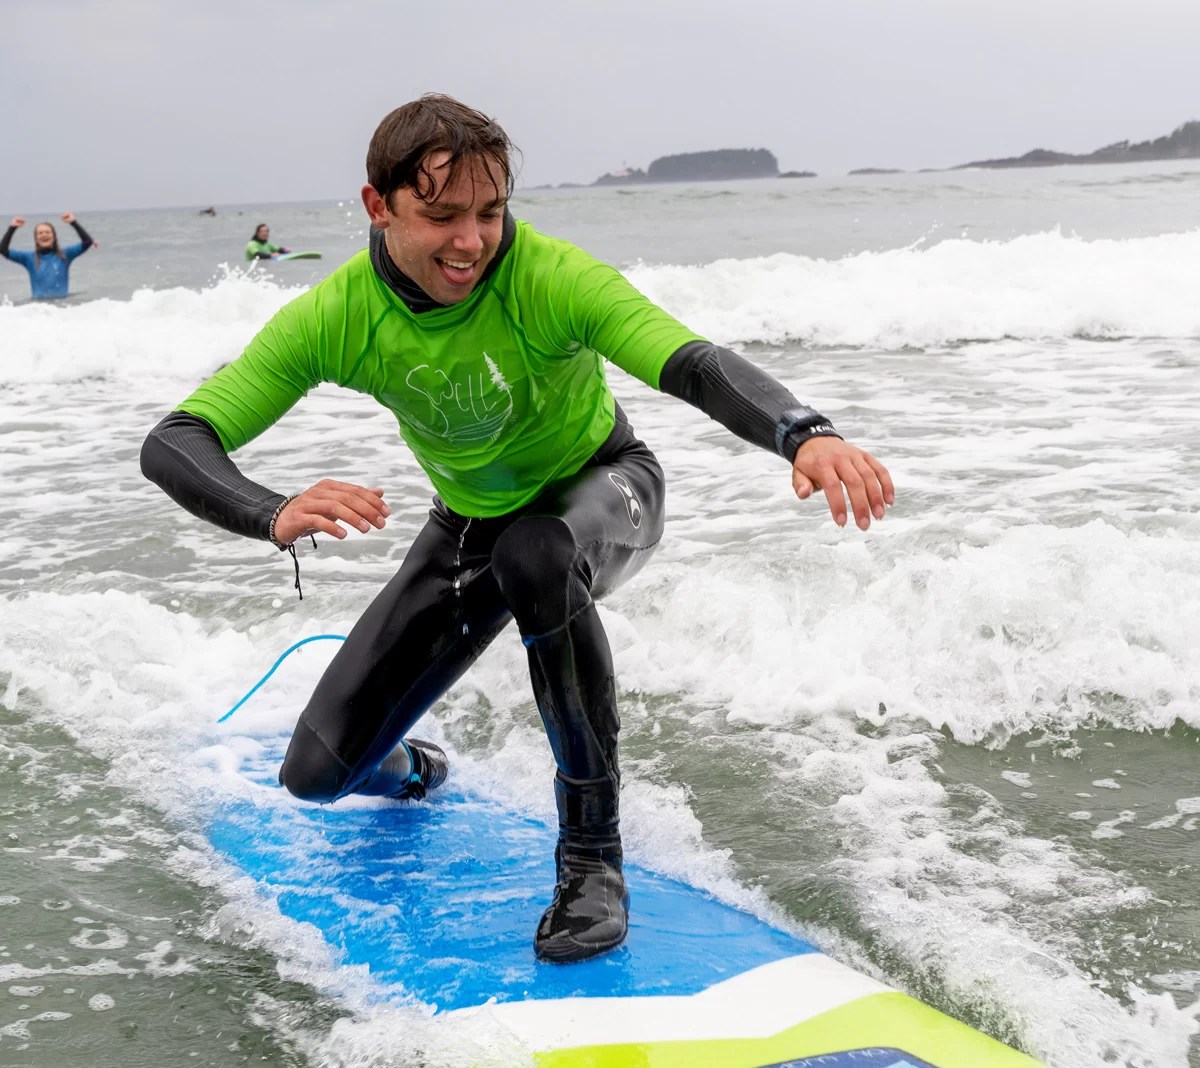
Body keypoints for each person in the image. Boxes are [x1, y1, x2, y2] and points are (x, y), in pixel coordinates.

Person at [141, 93, 893, 965]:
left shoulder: (546, 275)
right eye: (443, 215)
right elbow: (176, 440)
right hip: (468, 527)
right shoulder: (339, 316)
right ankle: (412, 765)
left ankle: (591, 861)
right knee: (315, 778)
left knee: (533, 550)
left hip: (606, 490)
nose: (473, 242)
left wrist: (804, 432)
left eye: (491, 212)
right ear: (377, 207)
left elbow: (685, 358)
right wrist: (271, 512)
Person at [1, 213, 95, 300]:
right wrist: (12, 228)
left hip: (62, 307)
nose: (44, 235)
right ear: (36, 239)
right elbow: (3, 250)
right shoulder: (28, 258)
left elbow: (87, 242)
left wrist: (73, 222)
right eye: (40, 233)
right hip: (39, 309)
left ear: (54, 237)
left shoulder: (65, 255)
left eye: (47, 232)